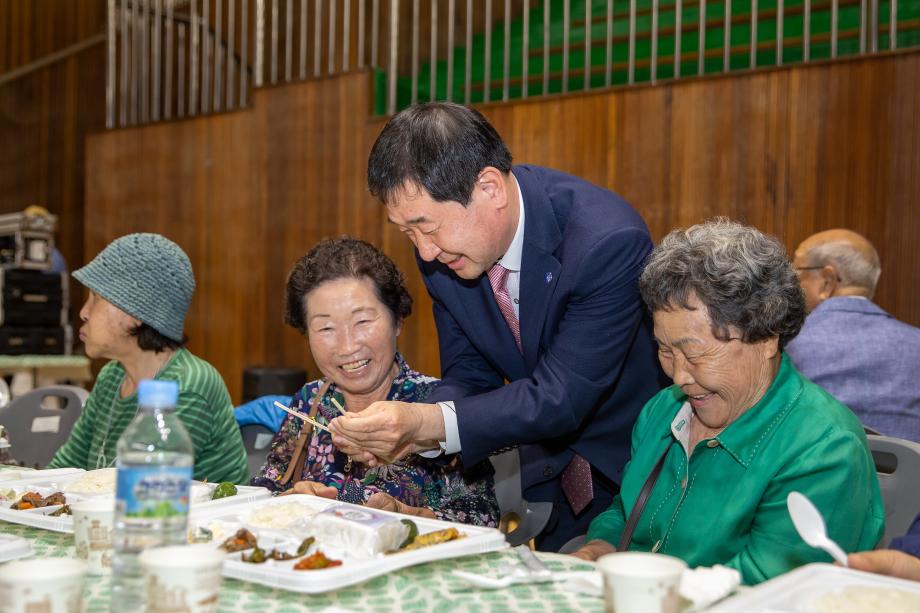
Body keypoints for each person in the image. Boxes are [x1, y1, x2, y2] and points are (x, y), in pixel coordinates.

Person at [330, 102, 665, 550]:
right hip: (547, 477)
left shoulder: (605, 242)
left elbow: (561, 395)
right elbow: (469, 373)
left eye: (426, 227)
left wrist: (426, 421)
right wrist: (416, 434)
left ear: (489, 188)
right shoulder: (445, 254)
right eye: (407, 232)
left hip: (634, 476)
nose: (424, 252)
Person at [571, 219, 884, 585]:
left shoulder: (824, 448)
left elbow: (770, 586)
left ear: (766, 338)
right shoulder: (663, 411)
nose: (679, 376)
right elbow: (626, 512)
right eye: (665, 350)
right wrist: (598, 549)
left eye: (695, 353)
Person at [252, 237, 499, 526]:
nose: (347, 346)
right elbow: (263, 494)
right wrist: (293, 499)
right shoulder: (309, 402)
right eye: (326, 328)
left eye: (363, 322)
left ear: (397, 320)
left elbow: (482, 519)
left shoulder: (437, 406)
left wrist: (405, 516)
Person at [48, 233, 250, 484]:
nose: (83, 312)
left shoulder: (188, 385)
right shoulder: (112, 375)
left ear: (134, 314)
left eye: (96, 299)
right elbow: (65, 469)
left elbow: (145, 490)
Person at [785, 229, 920, 441]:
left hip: (820, 462)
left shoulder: (788, 343)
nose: (791, 284)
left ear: (827, 281)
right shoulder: (916, 343)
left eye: (796, 273)